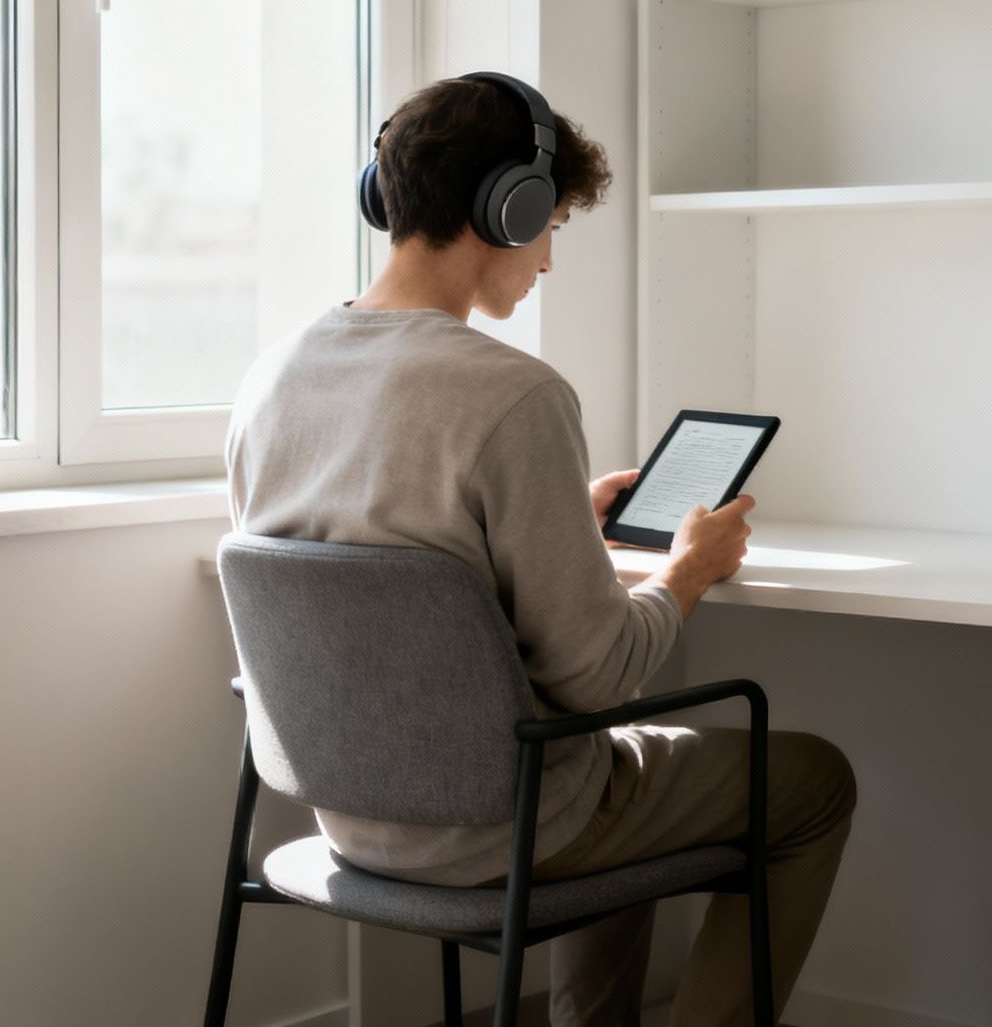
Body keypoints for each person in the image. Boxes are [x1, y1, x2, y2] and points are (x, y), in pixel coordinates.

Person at [225, 71, 855, 1026]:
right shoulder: (515, 395)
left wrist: (564, 514)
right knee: (810, 779)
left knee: (618, 764)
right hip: (502, 827)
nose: (550, 260)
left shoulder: (269, 380)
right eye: (552, 224)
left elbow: (394, 560)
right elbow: (600, 680)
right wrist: (688, 570)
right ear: (507, 210)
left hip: (347, 815)